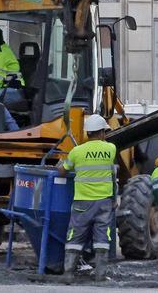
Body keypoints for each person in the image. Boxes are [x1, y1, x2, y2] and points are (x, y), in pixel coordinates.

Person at [58, 114, 117, 281]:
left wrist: (61, 164)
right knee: (102, 238)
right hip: (104, 202)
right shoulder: (110, 149)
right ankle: (100, 275)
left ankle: (68, 273)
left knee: (75, 236)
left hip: (82, 202)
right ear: (101, 133)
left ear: (87, 133)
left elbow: (63, 170)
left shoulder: (77, 152)